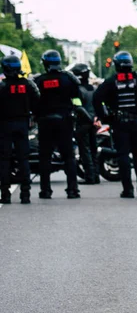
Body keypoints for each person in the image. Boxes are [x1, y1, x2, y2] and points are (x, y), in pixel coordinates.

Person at [93, 51, 137, 198]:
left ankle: (128, 189)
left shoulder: (111, 82)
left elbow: (96, 98)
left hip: (120, 123)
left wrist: (105, 117)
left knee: (123, 155)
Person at [34, 50, 82, 200]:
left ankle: (45, 190)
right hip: (64, 121)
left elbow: (34, 102)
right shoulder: (68, 79)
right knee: (68, 156)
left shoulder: (39, 81)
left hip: (45, 122)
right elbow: (77, 98)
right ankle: (72, 190)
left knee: (45, 157)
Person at [0, 55, 40, 204]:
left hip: (4, 126)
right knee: (23, 159)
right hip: (23, 125)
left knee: (4, 160)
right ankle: (25, 194)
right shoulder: (28, 85)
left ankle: (5, 193)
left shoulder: (2, 86)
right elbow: (37, 103)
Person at [71, 63, 100, 185]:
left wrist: (89, 119)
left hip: (83, 123)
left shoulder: (76, 90)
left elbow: (79, 108)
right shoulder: (93, 89)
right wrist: (96, 119)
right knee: (93, 150)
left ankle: (90, 177)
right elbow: (99, 106)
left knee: (85, 151)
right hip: (93, 123)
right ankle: (96, 176)